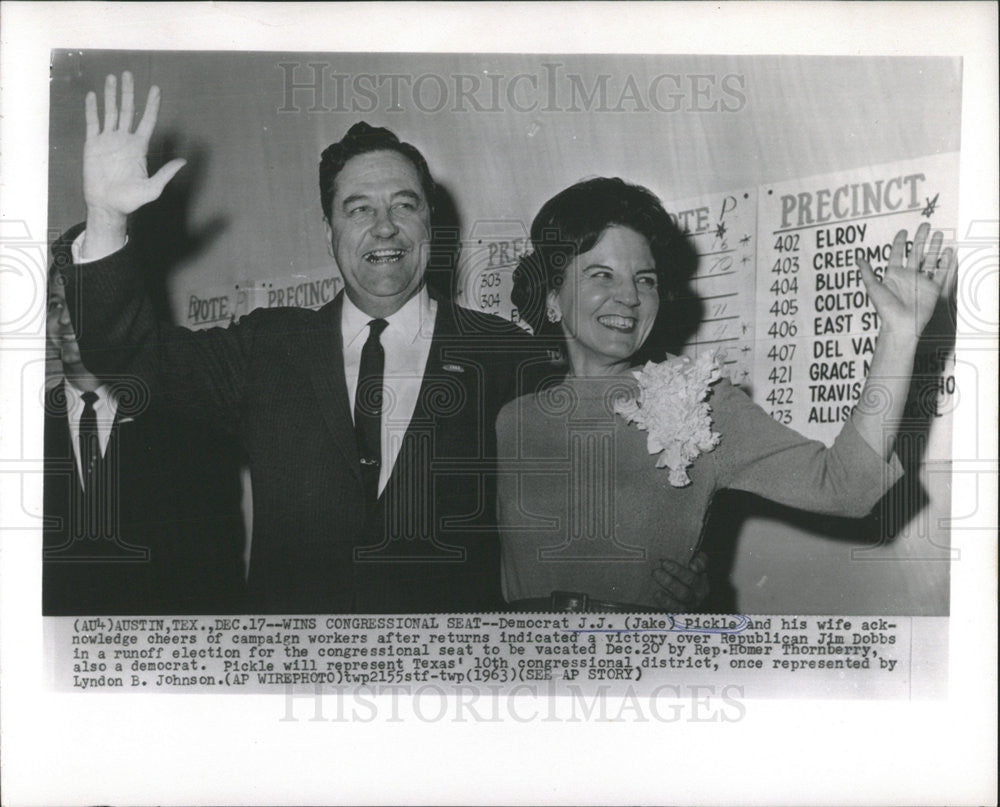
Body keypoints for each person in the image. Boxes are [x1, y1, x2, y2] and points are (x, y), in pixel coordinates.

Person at [55, 72, 709, 613]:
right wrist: (108, 220)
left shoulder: (511, 357)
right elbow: (126, 356)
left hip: (451, 702)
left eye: (405, 204)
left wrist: (671, 572)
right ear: (329, 232)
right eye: (359, 207)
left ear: (432, 223)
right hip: (294, 700)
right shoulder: (263, 348)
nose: (385, 226)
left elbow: (602, 494)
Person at [498, 177, 955, 611]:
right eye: (602, 275)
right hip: (520, 672)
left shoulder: (698, 396)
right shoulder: (507, 418)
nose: (630, 297)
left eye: (646, 279)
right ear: (553, 298)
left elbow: (847, 487)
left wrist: (898, 336)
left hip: (639, 673)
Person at [43, 271, 246, 614]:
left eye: (80, 304)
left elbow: (217, 584)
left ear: (122, 316)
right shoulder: (20, 429)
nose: (64, 318)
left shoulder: (191, 429)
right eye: (55, 303)